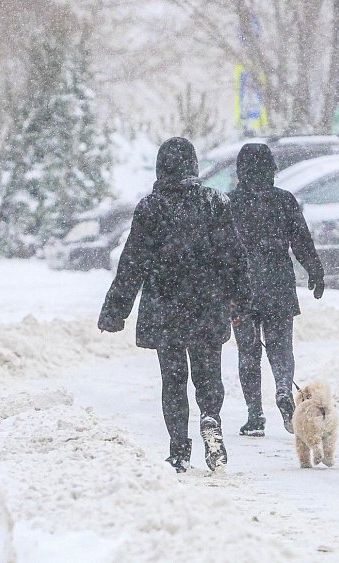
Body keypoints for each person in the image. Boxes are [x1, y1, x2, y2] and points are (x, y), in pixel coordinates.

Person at [98, 137, 251, 473]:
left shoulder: (150, 208)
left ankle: (179, 450)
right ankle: (211, 417)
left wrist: (115, 309)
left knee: (174, 380)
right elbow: (233, 256)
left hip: (165, 307)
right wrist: (240, 298)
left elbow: (132, 263)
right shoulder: (214, 202)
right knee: (209, 375)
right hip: (207, 304)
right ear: (193, 166)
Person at [228, 143, 325, 437]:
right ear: (272, 169)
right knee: (281, 347)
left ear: (240, 171)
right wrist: (315, 271)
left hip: (242, 286)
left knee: (248, 352)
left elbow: (220, 248)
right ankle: (283, 389)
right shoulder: (284, 201)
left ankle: (255, 415)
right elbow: (302, 242)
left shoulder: (229, 202)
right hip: (278, 283)